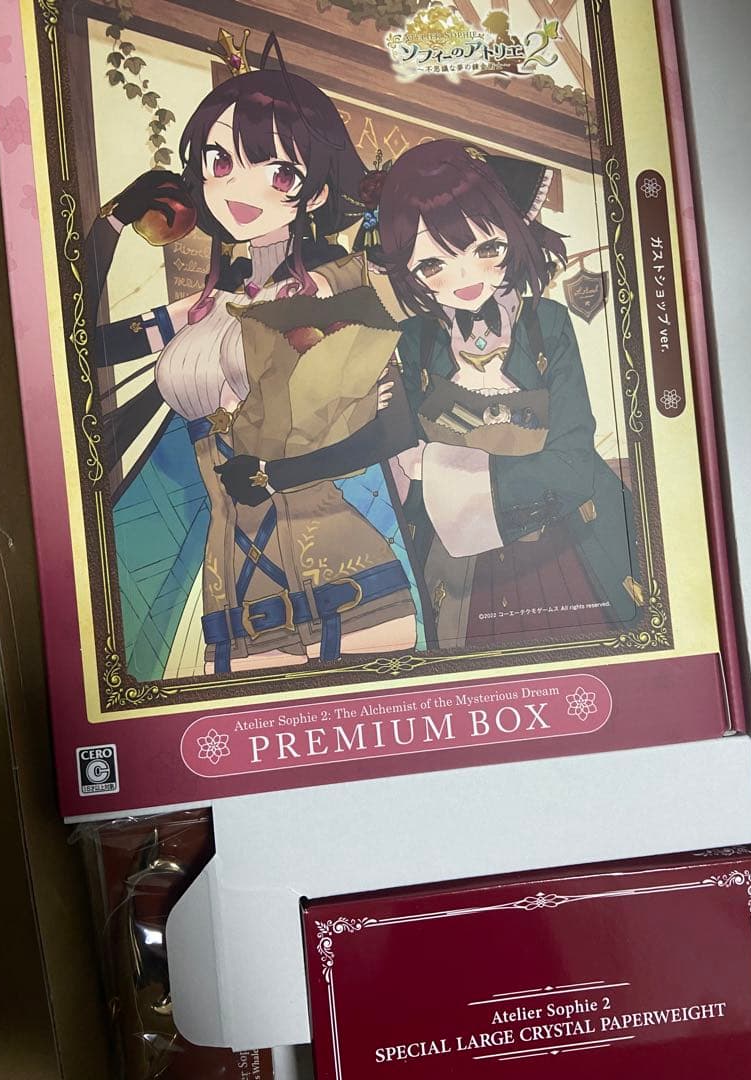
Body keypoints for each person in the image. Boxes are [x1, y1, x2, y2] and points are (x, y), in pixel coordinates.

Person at [86, 31, 418, 677]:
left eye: (279, 173)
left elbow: (397, 426)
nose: (239, 187)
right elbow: (83, 344)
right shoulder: (209, 305)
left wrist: (278, 474)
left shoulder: (341, 284)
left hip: (348, 576)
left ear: (313, 192)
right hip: (235, 596)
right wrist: (114, 220)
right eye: (219, 161)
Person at [372, 139, 642, 649]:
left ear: (513, 236)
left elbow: (572, 461)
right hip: (457, 561)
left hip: (562, 541)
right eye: (432, 265)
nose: (463, 276)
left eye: (486, 250)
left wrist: (440, 468)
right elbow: (402, 472)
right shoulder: (412, 342)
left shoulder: (547, 323)